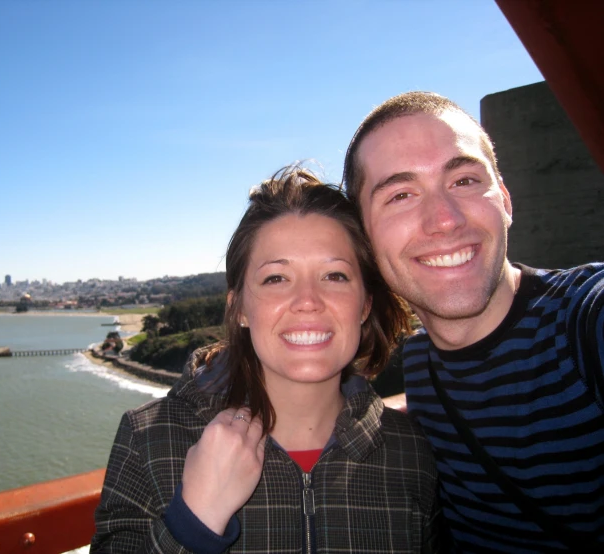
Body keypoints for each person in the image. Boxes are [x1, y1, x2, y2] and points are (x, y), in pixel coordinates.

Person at [91, 165, 444, 553]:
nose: (307, 301)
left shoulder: (411, 452)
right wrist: (194, 521)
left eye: (335, 276)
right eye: (276, 278)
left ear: (365, 305)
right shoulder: (149, 440)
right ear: (239, 307)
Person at [343, 91, 604, 552]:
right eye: (401, 195)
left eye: (464, 180)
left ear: (503, 199)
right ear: (365, 240)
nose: (443, 219)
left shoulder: (583, 321)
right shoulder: (420, 364)